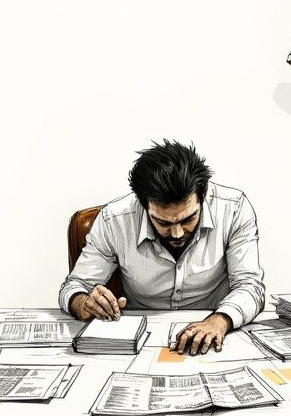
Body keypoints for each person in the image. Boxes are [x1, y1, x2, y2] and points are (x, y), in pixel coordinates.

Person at [59, 140, 265, 355]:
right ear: (143, 205)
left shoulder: (233, 210)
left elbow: (250, 285)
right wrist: (83, 303)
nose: (177, 233)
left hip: (214, 334)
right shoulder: (115, 220)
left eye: (188, 218)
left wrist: (220, 320)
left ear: (203, 197)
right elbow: (74, 286)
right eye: (163, 222)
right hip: (138, 340)